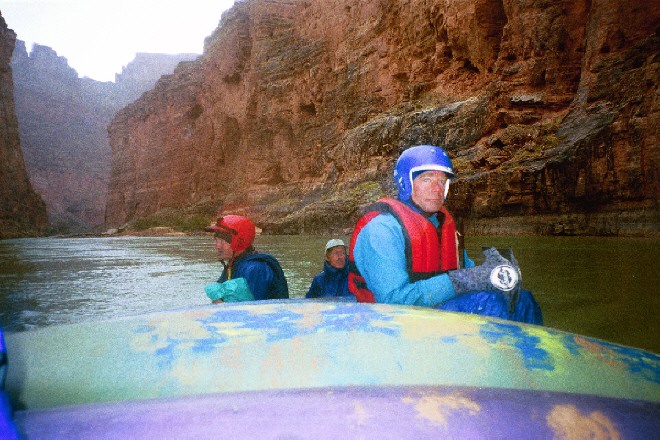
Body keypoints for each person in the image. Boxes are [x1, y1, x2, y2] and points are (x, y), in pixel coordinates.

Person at [348, 145, 542, 324]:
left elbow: (467, 272)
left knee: (523, 300)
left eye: (442, 181)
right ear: (406, 182)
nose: (437, 188)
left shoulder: (444, 225)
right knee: (492, 304)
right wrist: (461, 280)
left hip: (433, 313)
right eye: (427, 179)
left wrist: (493, 274)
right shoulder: (381, 229)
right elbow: (393, 300)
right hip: (390, 320)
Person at [204, 215, 289, 303]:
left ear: (239, 242)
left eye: (222, 241)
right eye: (216, 240)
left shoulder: (256, 269)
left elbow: (250, 312)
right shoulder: (232, 265)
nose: (217, 246)